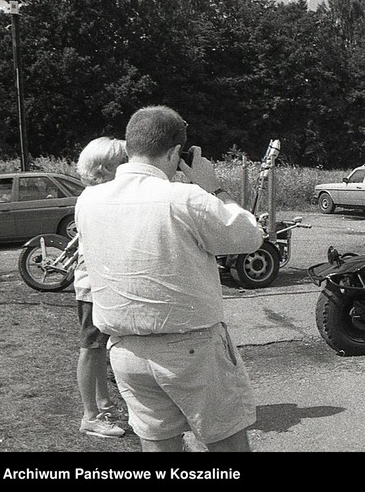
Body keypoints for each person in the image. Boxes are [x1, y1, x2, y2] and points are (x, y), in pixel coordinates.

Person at [75, 106, 265, 452]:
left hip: (126, 349)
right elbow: (249, 236)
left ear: (130, 147)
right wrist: (214, 188)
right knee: (228, 447)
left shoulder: (89, 200)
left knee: (159, 447)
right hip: (190, 348)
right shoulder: (185, 198)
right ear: (176, 153)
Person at [74, 136, 129, 438]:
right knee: (91, 349)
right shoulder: (97, 199)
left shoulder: (93, 195)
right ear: (107, 168)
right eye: (123, 163)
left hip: (96, 283)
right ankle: (90, 416)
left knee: (97, 349)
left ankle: (103, 407)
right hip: (92, 286)